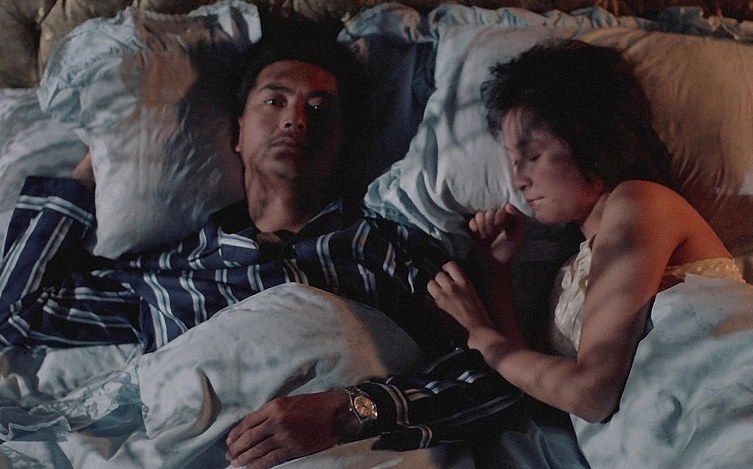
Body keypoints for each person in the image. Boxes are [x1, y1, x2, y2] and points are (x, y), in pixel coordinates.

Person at [0, 18, 522, 467]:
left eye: (320, 108)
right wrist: (106, 149)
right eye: (274, 101)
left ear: (343, 141)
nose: (296, 118)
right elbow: (21, 312)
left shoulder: (388, 250)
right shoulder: (167, 274)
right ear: (236, 133)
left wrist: (347, 412)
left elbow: (494, 384)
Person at [427, 40, 745, 424]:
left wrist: (479, 334)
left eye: (532, 156)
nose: (519, 179)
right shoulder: (570, 271)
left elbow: (592, 394)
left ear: (591, 140)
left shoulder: (641, 202)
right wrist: (495, 271)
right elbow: (546, 389)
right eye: (512, 161)